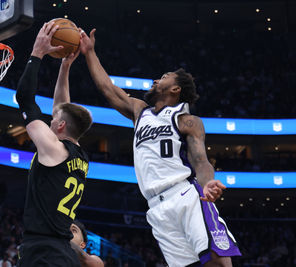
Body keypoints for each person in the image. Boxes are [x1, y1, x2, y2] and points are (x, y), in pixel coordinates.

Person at [79, 29, 241, 266]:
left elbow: (200, 160)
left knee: (217, 261)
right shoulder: (140, 111)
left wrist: (207, 185)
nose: (156, 80)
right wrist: (90, 53)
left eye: (164, 77)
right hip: (156, 208)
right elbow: (108, 89)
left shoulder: (186, 120)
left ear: (176, 89)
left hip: (184, 195)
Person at [15, 21, 93, 267]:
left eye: (53, 120)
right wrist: (65, 67)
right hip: (60, 252)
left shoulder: (54, 149)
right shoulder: (78, 155)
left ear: (60, 127)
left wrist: (37, 53)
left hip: (44, 252)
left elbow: (25, 99)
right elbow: (63, 108)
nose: (50, 121)